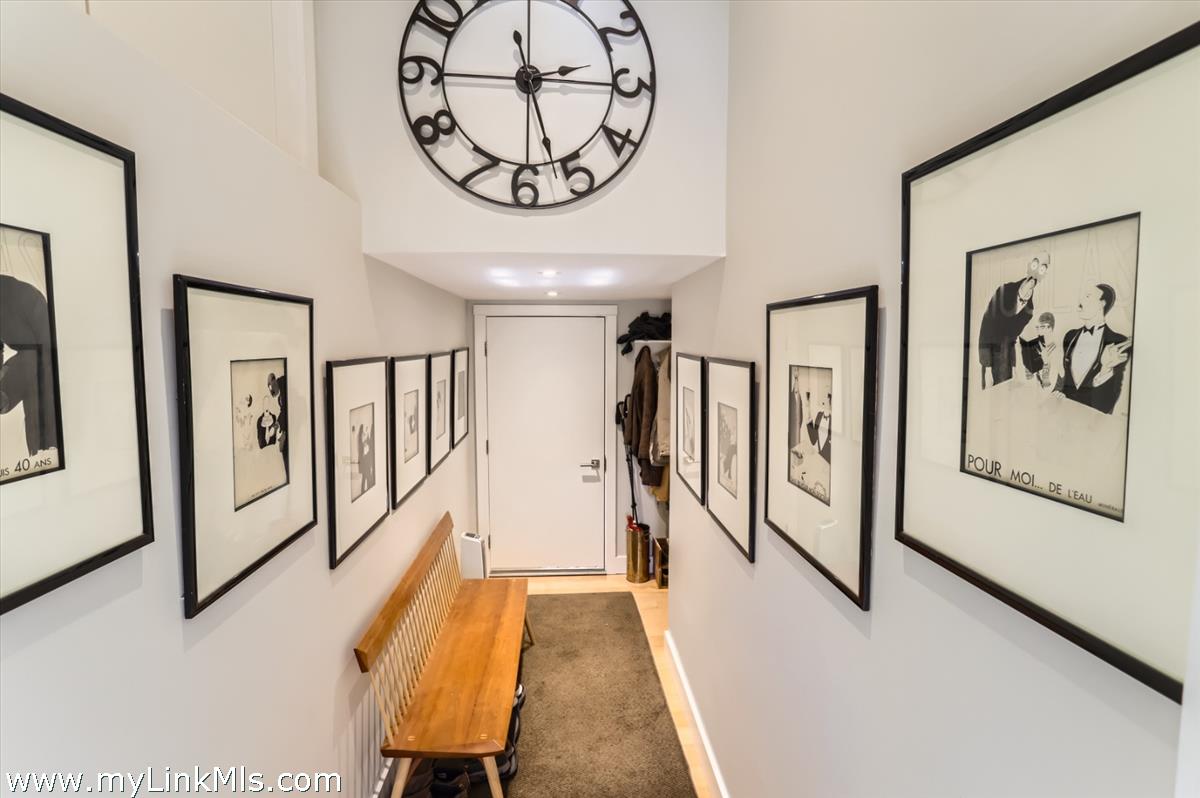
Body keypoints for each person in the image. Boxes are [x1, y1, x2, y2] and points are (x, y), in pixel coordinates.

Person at [0, 274, 59, 463]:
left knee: (47, 432)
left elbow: (46, 349)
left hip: (47, 359)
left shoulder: (23, 296)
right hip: (33, 361)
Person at [1056, 283, 1131, 415]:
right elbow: (1067, 383)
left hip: (1093, 423)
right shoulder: (1070, 336)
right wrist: (1060, 394)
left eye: (1088, 297)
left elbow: (1108, 402)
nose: (1081, 301)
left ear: (1101, 304)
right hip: (1065, 416)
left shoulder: (1117, 342)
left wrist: (1105, 369)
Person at [978, 254, 1049, 388]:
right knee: (990, 398)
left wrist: (1014, 366)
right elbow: (986, 327)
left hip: (1006, 358)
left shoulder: (1029, 310)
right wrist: (986, 366)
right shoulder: (1003, 291)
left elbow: (1012, 338)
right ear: (1030, 267)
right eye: (1036, 265)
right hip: (990, 354)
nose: (1034, 278)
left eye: (1042, 269)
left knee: (1005, 398)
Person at [1019, 312, 1057, 388]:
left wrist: (1046, 363)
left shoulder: (1055, 350)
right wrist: (1027, 363)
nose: (1039, 331)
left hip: (1049, 392)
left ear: (1050, 328)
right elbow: (1030, 380)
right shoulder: (1038, 345)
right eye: (1037, 327)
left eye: (1042, 327)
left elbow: (1050, 384)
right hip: (1035, 390)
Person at [805, 391, 832, 464]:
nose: (823, 400)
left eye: (825, 397)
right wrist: (809, 420)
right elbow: (814, 440)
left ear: (830, 400)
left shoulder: (834, 421)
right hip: (819, 459)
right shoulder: (819, 415)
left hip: (829, 461)